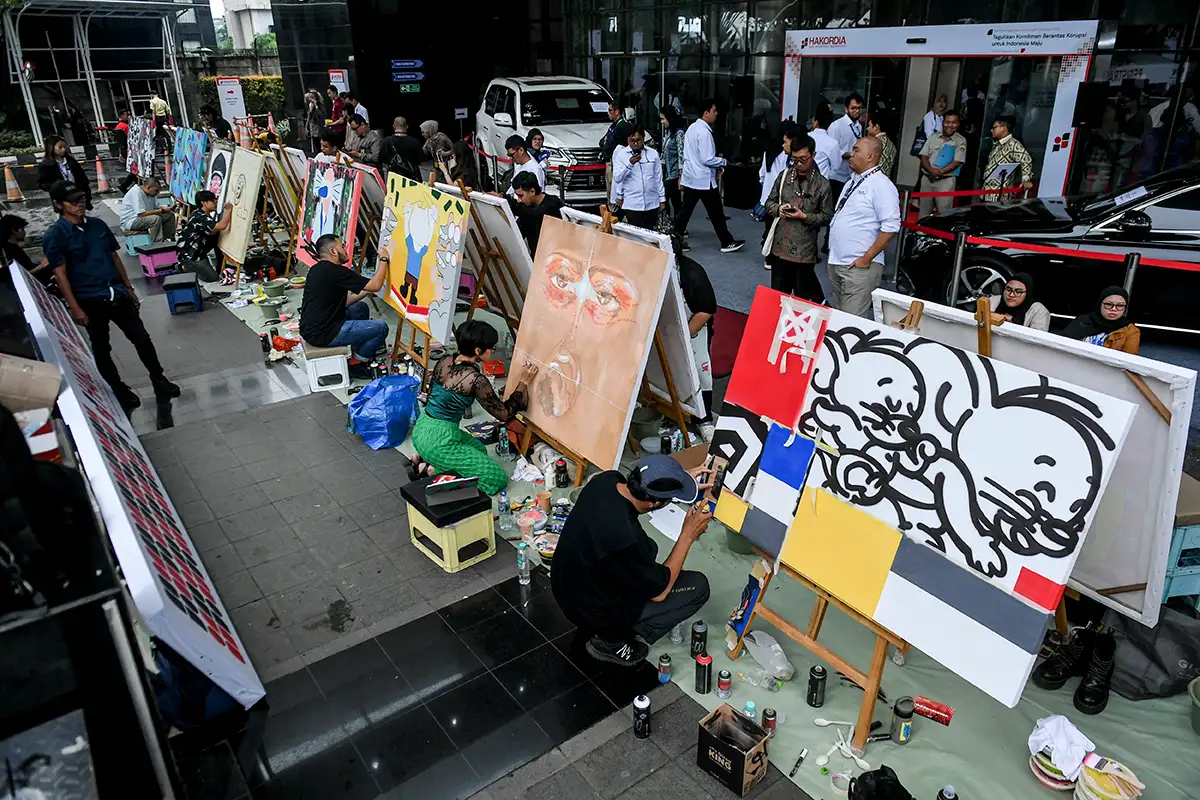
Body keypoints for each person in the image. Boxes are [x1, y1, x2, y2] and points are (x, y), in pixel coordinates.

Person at [551, 455, 713, 666]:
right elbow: (660, 593)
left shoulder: (607, 480)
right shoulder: (626, 539)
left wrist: (676, 480)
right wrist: (687, 535)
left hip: (565, 581)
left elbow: (638, 508)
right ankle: (613, 639)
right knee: (698, 587)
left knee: (650, 547)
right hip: (588, 610)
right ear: (654, 502)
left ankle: (614, 624)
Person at [44, 181, 180, 410]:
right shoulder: (56, 235)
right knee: (101, 346)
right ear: (58, 205)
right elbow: (61, 273)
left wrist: (128, 287)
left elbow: (115, 257)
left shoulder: (97, 225)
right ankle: (117, 387)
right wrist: (74, 306)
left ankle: (159, 378)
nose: (80, 204)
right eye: (73, 201)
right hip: (90, 299)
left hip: (117, 294)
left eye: (81, 199)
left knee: (142, 338)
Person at [409, 321, 538, 495]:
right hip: (441, 440)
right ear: (478, 351)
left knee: (479, 450)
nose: (493, 351)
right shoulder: (475, 380)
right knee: (496, 478)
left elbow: (433, 394)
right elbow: (504, 414)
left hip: (423, 427)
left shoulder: (445, 360)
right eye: (491, 348)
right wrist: (523, 383)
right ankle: (433, 471)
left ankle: (428, 460)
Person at [826, 137, 900, 318]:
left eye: (856, 150)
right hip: (839, 262)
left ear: (870, 156)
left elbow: (891, 227)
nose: (851, 154)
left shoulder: (882, 185)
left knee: (851, 324)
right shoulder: (852, 181)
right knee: (839, 319)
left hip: (859, 267)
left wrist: (866, 258)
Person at [299, 234, 390, 365]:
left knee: (360, 308)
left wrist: (366, 289)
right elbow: (376, 285)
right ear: (333, 251)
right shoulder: (336, 271)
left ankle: (357, 346)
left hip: (311, 329)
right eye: (342, 246)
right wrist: (384, 258)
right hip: (323, 334)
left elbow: (342, 302)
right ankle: (359, 362)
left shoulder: (317, 269)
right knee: (381, 328)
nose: (345, 250)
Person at [764, 134, 833, 305]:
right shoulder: (785, 176)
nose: (799, 164)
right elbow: (768, 203)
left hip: (804, 252)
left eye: (803, 159)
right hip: (781, 248)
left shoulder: (822, 184)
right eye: (795, 159)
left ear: (813, 155)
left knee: (801, 303)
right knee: (778, 300)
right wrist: (779, 209)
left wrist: (804, 217)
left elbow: (826, 217)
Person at [675, 99, 744, 253]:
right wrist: (723, 162)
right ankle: (727, 241)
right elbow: (707, 158)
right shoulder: (704, 132)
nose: (716, 113)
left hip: (692, 177)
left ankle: (674, 240)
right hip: (703, 179)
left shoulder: (692, 128)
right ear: (706, 113)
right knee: (715, 212)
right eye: (714, 110)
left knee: (686, 212)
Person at [671, 234, 718, 439]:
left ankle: (703, 418)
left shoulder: (692, 273)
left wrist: (683, 337)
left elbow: (706, 310)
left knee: (699, 370)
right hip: (666, 324)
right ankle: (672, 407)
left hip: (693, 326)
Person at [612, 128, 665, 230]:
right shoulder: (621, 155)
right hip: (632, 203)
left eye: (638, 140)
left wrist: (662, 199)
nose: (636, 143)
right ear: (628, 140)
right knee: (635, 234)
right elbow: (618, 178)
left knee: (650, 234)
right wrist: (630, 164)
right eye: (632, 141)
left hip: (651, 202)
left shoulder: (653, 154)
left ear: (643, 139)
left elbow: (658, 178)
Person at [917, 109, 968, 215]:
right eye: (947, 122)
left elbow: (957, 162)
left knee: (944, 213)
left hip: (946, 181)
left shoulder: (960, 141)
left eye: (954, 122)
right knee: (923, 211)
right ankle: (922, 232)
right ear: (943, 122)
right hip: (927, 178)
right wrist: (931, 171)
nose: (950, 125)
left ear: (958, 124)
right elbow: (924, 156)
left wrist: (939, 173)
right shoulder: (933, 137)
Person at [1062, 287, 1139, 354]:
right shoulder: (1082, 321)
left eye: (1120, 305)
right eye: (1109, 304)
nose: (1114, 309)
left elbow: (1129, 361)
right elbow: (1062, 345)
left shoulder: (1130, 331)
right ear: (1100, 304)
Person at [177, 190, 233, 283]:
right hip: (190, 255)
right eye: (213, 201)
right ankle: (184, 267)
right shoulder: (199, 217)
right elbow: (222, 226)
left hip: (199, 252)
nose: (216, 203)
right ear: (204, 203)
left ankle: (221, 264)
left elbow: (215, 230)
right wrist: (229, 210)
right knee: (212, 277)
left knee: (217, 235)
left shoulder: (202, 214)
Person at [757, 128, 793, 269]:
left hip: (767, 196)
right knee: (778, 228)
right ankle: (772, 256)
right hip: (779, 197)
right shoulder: (786, 156)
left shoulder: (769, 152)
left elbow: (762, 175)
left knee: (769, 226)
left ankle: (767, 256)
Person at [508, 171, 563, 255]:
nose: (519, 200)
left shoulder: (552, 204)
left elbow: (534, 214)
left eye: (521, 195)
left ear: (532, 191)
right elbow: (518, 233)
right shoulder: (528, 207)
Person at [982, 115, 1034, 201]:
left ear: (1004, 128)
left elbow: (1026, 159)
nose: (992, 130)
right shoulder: (997, 144)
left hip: (1000, 194)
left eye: (994, 127)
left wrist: (1026, 179)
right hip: (987, 191)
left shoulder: (1013, 144)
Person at [37, 136, 91, 209]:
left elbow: (83, 180)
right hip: (62, 200)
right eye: (60, 147)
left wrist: (87, 197)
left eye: (65, 146)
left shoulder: (71, 161)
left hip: (78, 195)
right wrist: (57, 187)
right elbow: (43, 183)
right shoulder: (46, 165)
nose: (63, 149)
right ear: (51, 148)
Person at [120, 178, 175, 242]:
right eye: (156, 191)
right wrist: (161, 210)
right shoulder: (136, 192)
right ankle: (157, 243)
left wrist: (167, 208)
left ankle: (168, 239)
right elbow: (142, 213)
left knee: (169, 215)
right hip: (131, 220)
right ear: (148, 188)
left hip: (141, 218)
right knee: (155, 219)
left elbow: (157, 207)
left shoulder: (151, 194)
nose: (157, 193)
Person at [827, 92, 864, 185]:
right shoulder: (837, 126)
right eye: (853, 108)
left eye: (859, 108)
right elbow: (831, 151)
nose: (857, 111)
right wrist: (850, 154)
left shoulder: (859, 126)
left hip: (851, 176)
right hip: (836, 176)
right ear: (846, 109)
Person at [659, 105, 687, 220]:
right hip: (667, 174)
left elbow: (682, 155)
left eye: (663, 119)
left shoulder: (679, 134)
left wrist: (681, 176)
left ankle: (676, 224)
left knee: (671, 200)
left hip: (675, 175)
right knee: (674, 201)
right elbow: (663, 155)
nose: (662, 122)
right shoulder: (668, 134)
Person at [382, 116, 424, 181]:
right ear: (407, 127)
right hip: (411, 179)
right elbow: (421, 159)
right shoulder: (415, 142)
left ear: (393, 126)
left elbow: (382, 160)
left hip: (393, 178)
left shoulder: (386, 141)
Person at [599, 100, 634, 165]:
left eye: (610, 110)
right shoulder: (614, 125)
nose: (608, 113)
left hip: (619, 162)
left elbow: (615, 147)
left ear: (617, 111)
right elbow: (602, 141)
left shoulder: (622, 127)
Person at [869, 114, 897, 182]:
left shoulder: (875, 143)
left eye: (869, 125)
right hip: (885, 181)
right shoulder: (892, 145)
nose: (867, 128)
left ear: (876, 127)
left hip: (872, 180)